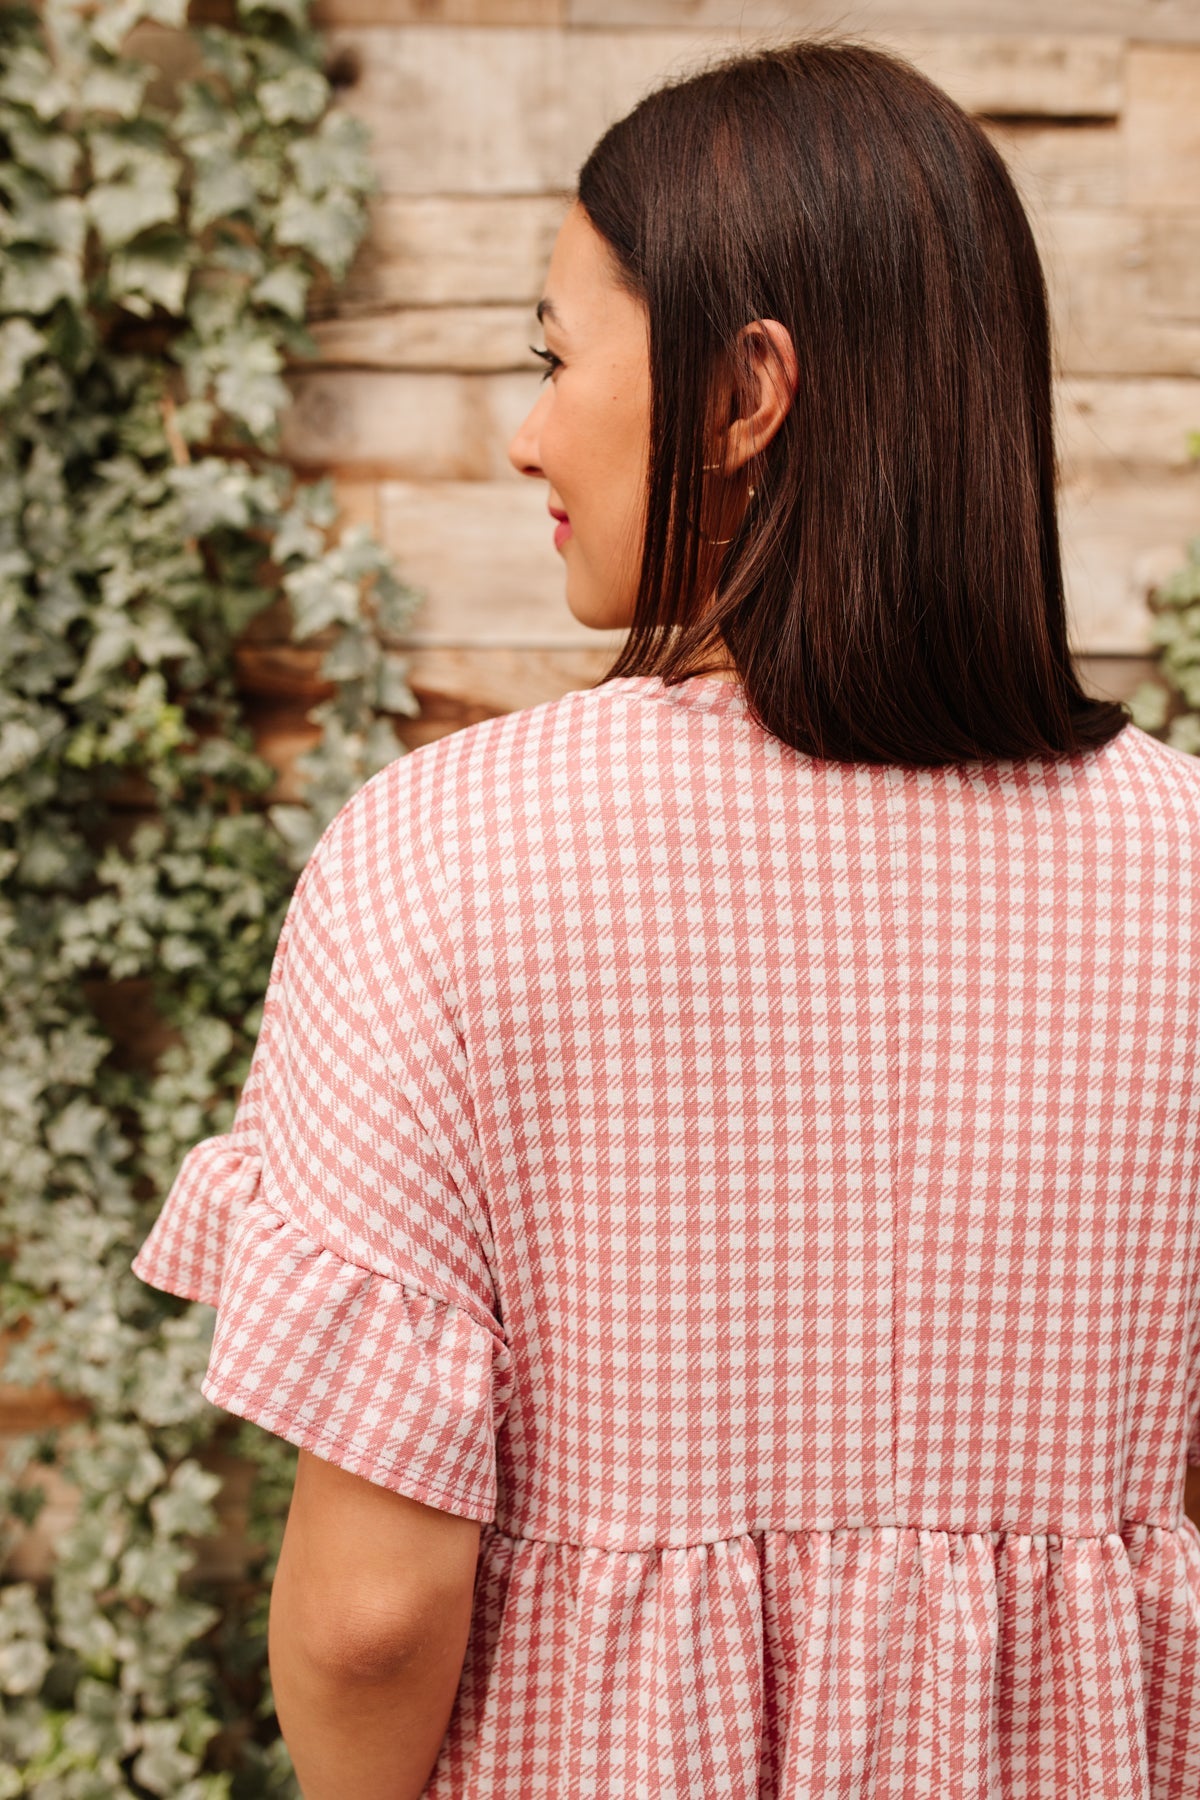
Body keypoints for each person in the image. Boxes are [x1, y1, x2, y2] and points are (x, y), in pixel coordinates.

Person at [131, 36, 1200, 1800]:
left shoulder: (445, 854)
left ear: (742, 391)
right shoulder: (1179, 864)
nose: (524, 431)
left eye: (558, 358)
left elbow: (369, 1620)